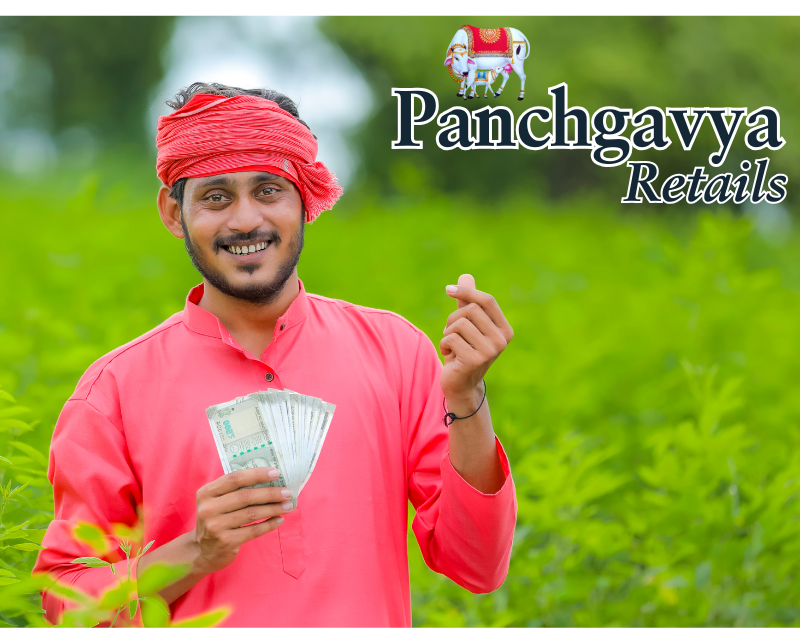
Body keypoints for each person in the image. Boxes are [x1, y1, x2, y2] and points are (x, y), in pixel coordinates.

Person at [33, 82, 517, 627]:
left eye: (268, 191)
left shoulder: (396, 352)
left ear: (304, 199)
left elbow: (476, 566)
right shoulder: (113, 392)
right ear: (173, 212)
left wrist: (467, 396)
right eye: (216, 196)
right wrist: (192, 552)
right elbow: (68, 603)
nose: (245, 220)